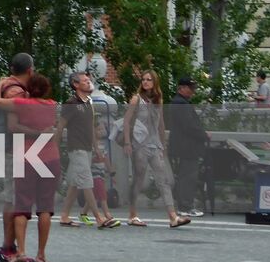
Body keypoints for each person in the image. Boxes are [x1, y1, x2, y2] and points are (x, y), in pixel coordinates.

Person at [0, 73, 58, 262]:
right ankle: (41, 255)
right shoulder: (52, 106)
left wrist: (0, 84)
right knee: (45, 208)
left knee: (21, 207)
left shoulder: (21, 104)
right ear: (47, 90)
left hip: (26, 157)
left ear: (29, 89)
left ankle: (21, 251)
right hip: (50, 158)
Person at [124, 69, 190, 228]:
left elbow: (160, 124)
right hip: (139, 144)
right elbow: (127, 121)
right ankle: (132, 214)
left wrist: (163, 144)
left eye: (149, 79)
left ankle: (173, 216)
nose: (145, 82)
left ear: (154, 82)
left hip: (154, 144)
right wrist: (127, 142)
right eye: (143, 79)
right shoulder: (136, 99)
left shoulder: (158, 100)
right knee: (139, 180)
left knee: (163, 179)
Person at [57, 71, 113, 228]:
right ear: (75, 84)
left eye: (89, 80)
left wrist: (97, 149)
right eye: (85, 80)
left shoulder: (89, 103)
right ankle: (98, 217)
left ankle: (64, 216)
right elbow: (60, 126)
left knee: (75, 183)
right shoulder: (71, 104)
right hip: (77, 148)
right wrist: (55, 147)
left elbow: (91, 129)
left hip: (87, 148)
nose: (89, 82)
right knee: (87, 182)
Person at [0, 52, 33, 262]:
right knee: (13, 199)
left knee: (13, 198)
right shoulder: (17, 91)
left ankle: (10, 247)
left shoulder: (7, 85)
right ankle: (7, 248)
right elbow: (14, 126)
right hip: (15, 149)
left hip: (10, 148)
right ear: (30, 70)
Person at [166, 76, 209, 218]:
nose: (193, 91)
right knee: (188, 177)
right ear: (182, 88)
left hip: (182, 146)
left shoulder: (178, 102)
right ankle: (185, 206)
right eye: (190, 88)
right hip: (187, 147)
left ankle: (184, 205)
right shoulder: (181, 104)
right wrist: (203, 135)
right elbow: (189, 126)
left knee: (185, 176)